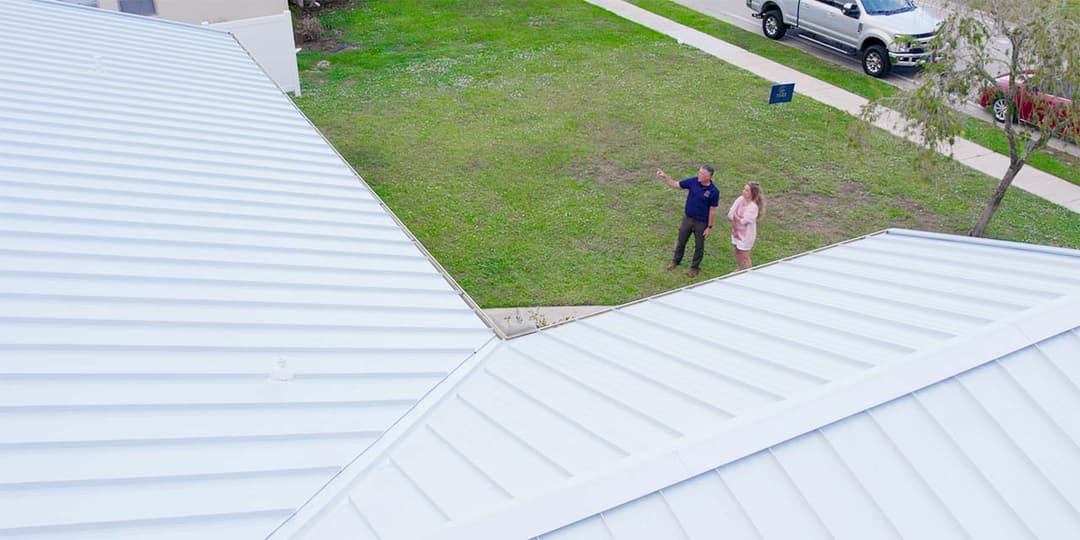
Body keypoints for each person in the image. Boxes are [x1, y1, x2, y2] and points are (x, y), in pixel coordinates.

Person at [657, 166, 720, 278]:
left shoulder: (714, 191)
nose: (698, 175)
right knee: (681, 241)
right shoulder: (693, 181)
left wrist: (709, 227)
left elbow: (712, 210)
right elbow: (676, 184)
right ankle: (676, 260)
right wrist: (665, 177)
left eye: (701, 173)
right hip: (688, 219)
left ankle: (694, 267)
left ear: (708, 177)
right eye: (699, 172)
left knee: (699, 246)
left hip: (701, 223)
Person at [727, 181, 764, 270]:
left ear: (752, 193)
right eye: (744, 189)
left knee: (745, 256)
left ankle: (748, 272)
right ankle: (739, 268)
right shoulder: (740, 199)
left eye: (747, 190)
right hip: (736, 232)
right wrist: (736, 217)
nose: (744, 191)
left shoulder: (753, 207)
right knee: (737, 251)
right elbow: (730, 214)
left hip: (746, 236)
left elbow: (744, 221)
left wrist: (736, 216)